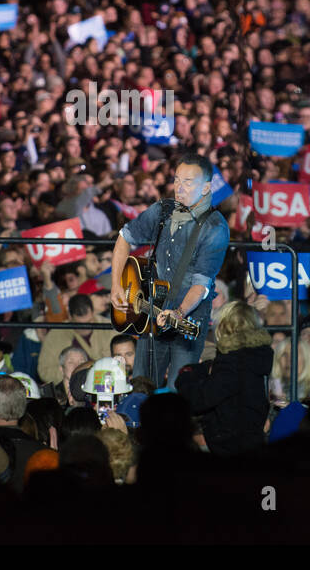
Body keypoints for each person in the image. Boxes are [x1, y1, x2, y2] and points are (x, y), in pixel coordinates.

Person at [110, 153, 230, 388]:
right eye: (176, 180)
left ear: (206, 187)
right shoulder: (163, 209)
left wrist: (180, 312)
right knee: (142, 386)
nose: (179, 187)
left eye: (188, 182)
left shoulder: (215, 227)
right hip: (150, 311)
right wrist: (116, 285)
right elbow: (125, 237)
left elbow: (201, 285)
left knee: (180, 388)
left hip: (189, 317)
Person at [173, 301, 272, 457]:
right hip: (249, 440)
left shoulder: (233, 362)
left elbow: (200, 400)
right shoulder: (257, 356)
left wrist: (185, 376)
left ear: (224, 327)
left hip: (230, 446)